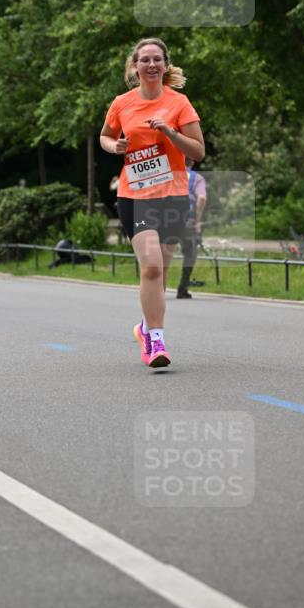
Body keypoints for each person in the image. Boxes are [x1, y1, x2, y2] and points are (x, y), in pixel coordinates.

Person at [100, 37, 204, 367]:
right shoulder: (122, 103)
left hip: (172, 195)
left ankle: (145, 326)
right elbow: (105, 135)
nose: (151, 65)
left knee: (162, 272)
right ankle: (156, 342)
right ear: (135, 66)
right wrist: (113, 147)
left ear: (165, 65)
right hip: (135, 195)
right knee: (152, 268)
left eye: (157, 59)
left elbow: (198, 152)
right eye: (145, 59)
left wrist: (171, 133)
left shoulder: (179, 104)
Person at [177, 157, 207, 299]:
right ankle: (182, 288)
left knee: (162, 253)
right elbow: (201, 198)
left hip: (165, 220)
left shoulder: (169, 174)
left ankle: (156, 287)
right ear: (192, 162)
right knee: (190, 253)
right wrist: (198, 220)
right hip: (186, 222)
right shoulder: (196, 178)